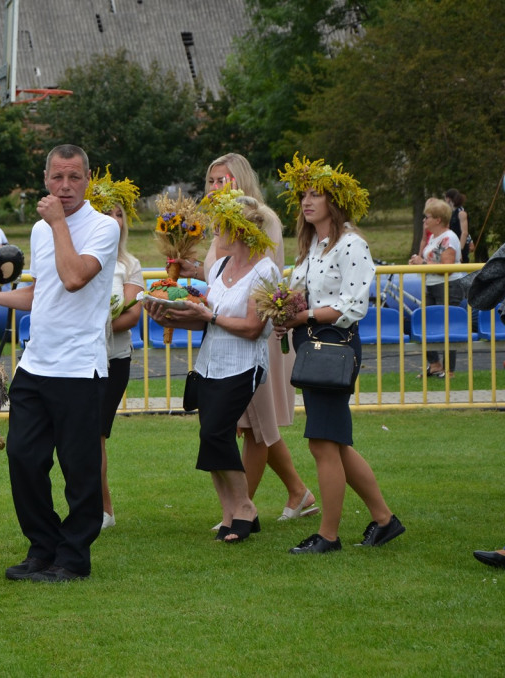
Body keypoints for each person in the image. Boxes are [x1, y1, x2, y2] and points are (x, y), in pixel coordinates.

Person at [0, 144, 119, 582]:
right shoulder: (40, 229)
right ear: (45, 179)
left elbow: (73, 277)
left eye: (74, 177)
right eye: (57, 177)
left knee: (79, 467)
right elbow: (42, 292)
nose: (65, 186)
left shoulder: (103, 227)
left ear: (88, 179)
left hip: (80, 367)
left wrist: (59, 223)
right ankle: (42, 547)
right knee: (23, 458)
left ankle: (73, 558)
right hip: (37, 364)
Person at [274, 154, 405, 554]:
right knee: (335, 442)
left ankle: (329, 536)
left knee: (322, 442)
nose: (307, 201)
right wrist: (283, 309)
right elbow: (302, 294)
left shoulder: (351, 244)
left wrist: (303, 315)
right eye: (304, 196)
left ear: (336, 201)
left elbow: (352, 306)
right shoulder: (313, 245)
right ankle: (384, 520)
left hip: (334, 347)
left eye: (317, 194)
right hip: (313, 346)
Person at [185, 153, 318, 524]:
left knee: (255, 425)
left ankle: (243, 508)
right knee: (254, 422)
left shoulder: (262, 220)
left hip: (256, 334)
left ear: (239, 180)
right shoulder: (222, 223)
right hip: (224, 334)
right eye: (210, 181)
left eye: (220, 180)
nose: (213, 188)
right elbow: (222, 272)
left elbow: (260, 272)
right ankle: (297, 492)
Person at [149, 189, 278, 543]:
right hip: (209, 364)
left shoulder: (266, 271)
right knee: (211, 440)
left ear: (239, 230)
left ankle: (246, 507)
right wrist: (167, 315)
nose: (215, 231)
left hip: (243, 365)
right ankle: (231, 514)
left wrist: (212, 314)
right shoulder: (220, 267)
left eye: (221, 225)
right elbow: (207, 320)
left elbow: (253, 328)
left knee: (215, 434)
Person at [84, 167, 142, 529]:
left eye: (118, 212)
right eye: (105, 211)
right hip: (79, 360)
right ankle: (93, 506)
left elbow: (132, 314)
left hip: (113, 358)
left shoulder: (130, 263)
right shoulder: (83, 258)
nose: (112, 218)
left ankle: (103, 509)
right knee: (83, 434)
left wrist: (96, 322)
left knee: (96, 433)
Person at [409, 197, 466, 378]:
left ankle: (449, 371)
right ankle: (434, 365)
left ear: (438, 220)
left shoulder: (449, 238)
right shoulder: (434, 237)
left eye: (427, 217)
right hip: (432, 286)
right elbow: (431, 262)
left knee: (447, 327)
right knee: (426, 324)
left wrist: (422, 262)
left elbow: (446, 267)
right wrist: (417, 263)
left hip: (447, 286)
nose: (424, 220)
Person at [444, 188, 472, 264]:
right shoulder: (452, 213)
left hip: (461, 246)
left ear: (448, 199)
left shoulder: (461, 213)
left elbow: (464, 232)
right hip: (453, 245)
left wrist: (459, 250)